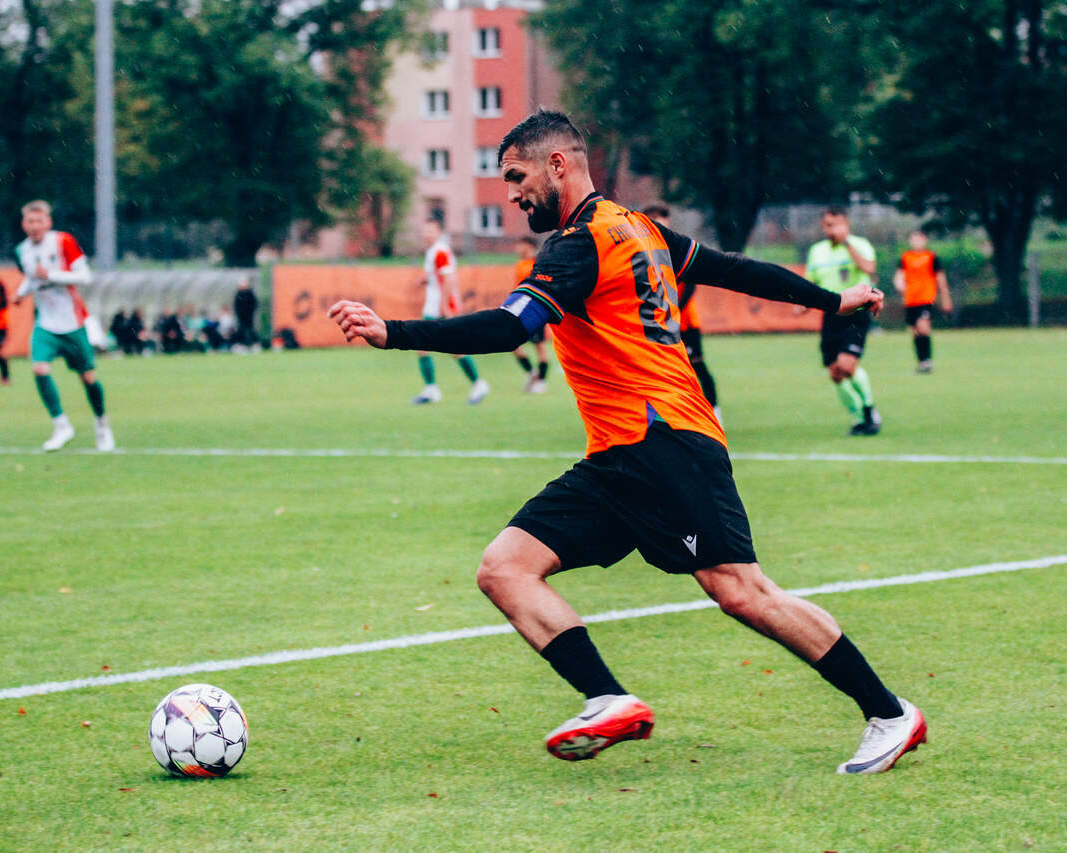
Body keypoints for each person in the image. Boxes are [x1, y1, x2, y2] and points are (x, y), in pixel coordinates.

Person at [329, 110, 925, 775]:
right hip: (620, 454)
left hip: (666, 440)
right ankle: (608, 698)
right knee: (505, 568)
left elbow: (508, 328)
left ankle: (889, 712)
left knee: (743, 591)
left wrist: (394, 333)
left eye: (518, 177)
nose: (513, 194)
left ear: (558, 164)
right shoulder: (638, 227)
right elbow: (733, 269)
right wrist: (830, 300)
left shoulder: (579, 243)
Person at [12, 200, 114, 452]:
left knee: (88, 377)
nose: (34, 226)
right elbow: (32, 278)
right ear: (24, 224)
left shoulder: (63, 241)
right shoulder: (22, 250)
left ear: (48, 222)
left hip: (72, 321)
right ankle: (61, 425)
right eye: (30, 221)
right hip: (45, 323)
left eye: (39, 221)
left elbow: (85, 276)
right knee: (39, 368)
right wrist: (20, 293)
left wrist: (51, 275)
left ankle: (101, 424)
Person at [805, 209, 881, 436]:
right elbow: (811, 283)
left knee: (847, 366)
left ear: (846, 225)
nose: (833, 229)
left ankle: (869, 410)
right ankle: (859, 419)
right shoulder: (817, 251)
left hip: (857, 313)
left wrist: (847, 244)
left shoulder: (859, 245)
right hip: (831, 316)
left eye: (837, 224)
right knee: (836, 373)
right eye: (828, 225)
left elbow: (869, 268)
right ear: (823, 227)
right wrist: (801, 304)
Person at [643, 204, 720, 421]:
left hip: (685, 323)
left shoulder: (674, 248)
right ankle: (665, 417)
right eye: (656, 221)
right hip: (660, 325)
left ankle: (714, 411)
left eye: (663, 222)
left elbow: (692, 285)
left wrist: (673, 308)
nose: (661, 226)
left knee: (697, 367)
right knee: (661, 371)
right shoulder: (642, 252)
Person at [409, 214, 489, 405]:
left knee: (447, 345)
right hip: (434, 307)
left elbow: (449, 279)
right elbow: (438, 276)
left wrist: (444, 305)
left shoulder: (440, 251)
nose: (427, 234)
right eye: (425, 230)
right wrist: (424, 280)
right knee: (429, 345)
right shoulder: (434, 251)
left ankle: (476, 384)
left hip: (440, 308)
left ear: (439, 232)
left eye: (430, 230)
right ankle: (434, 389)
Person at [893, 230, 953, 372]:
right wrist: (899, 284)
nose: (916, 242)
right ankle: (922, 362)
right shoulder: (905, 257)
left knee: (923, 327)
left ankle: (927, 361)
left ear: (924, 240)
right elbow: (899, 276)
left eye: (919, 239)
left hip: (926, 299)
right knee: (915, 332)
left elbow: (940, 279)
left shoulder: (931, 257)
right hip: (910, 300)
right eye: (914, 239)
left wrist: (946, 298)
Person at [510, 235, 551, 392]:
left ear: (528, 246)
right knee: (512, 344)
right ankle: (531, 373)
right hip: (520, 310)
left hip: (535, 310)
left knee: (539, 346)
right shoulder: (520, 265)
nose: (517, 249)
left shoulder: (537, 263)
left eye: (520, 245)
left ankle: (541, 381)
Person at [233, 277, 260, 352]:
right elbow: (236, 306)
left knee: (250, 330)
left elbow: (254, 304)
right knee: (241, 330)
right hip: (241, 317)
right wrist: (239, 314)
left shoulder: (250, 293)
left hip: (249, 316)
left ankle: (253, 344)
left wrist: (250, 312)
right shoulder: (238, 294)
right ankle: (242, 345)